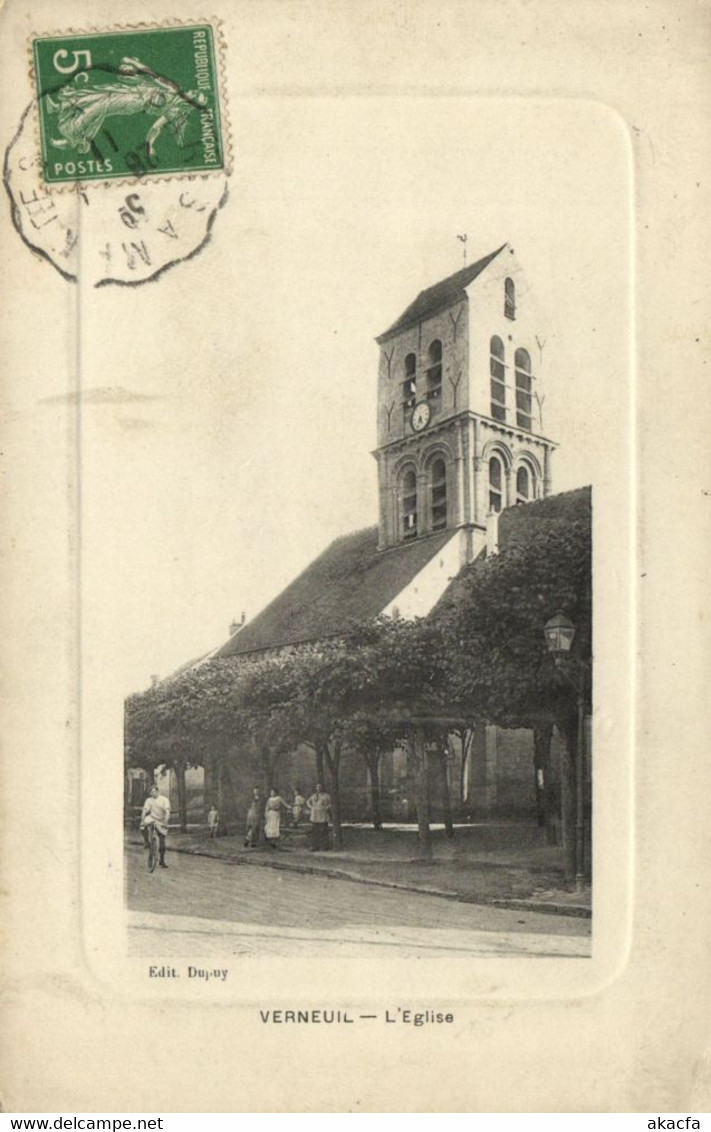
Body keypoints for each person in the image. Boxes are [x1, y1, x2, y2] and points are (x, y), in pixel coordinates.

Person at [140, 784, 170, 868]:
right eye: (151, 792)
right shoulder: (149, 800)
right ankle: (146, 842)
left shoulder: (164, 800)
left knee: (162, 842)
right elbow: (145, 810)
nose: (153, 793)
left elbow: (167, 812)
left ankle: (162, 860)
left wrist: (165, 822)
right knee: (142, 826)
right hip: (152, 818)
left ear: (157, 791)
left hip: (161, 821)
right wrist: (142, 821)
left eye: (154, 791)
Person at [306, 783, 331, 851]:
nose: (318, 788)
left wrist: (326, 808)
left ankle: (324, 846)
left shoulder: (326, 796)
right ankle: (314, 846)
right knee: (314, 831)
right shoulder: (314, 795)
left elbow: (330, 804)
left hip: (323, 816)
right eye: (317, 787)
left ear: (322, 788)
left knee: (323, 831)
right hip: (315, 816)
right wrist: (311, 807)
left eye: (320, 787)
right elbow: (308, 801)